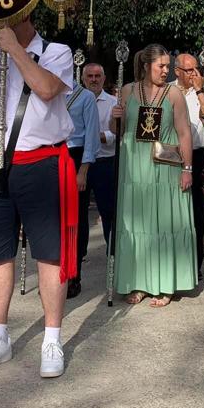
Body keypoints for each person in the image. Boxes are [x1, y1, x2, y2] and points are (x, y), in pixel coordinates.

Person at [0, 19, 76, 377]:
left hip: (42, 163)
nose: (4, 20)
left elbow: (45, 89)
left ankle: (52, 338)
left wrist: (14, 49)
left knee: (50, 254)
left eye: (13, 14)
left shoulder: (56, 52)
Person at [111, 44, 196, 307]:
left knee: (164, 225)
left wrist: (187, 169)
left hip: (166, 168)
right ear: (146, 66)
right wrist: (115, 118)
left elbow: (184, 133)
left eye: (167, 66)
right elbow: (118, 131)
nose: (165, 71)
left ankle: (165, 285)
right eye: (160, 66)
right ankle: (138, 282)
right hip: (135, 168)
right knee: (138, 225)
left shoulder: (174, 94)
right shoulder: (127, 91)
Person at [173, 53, 204, 277]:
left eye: (196, 69)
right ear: (177, 71)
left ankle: (195, 264)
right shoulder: (168, 90)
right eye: (189, 70)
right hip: (172, 156)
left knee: (196, 212)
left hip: (198, 154)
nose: (194, 74)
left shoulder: (202, 93)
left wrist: (199, 93)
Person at [66, 65, 101, 299]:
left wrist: (83, 170)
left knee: (75, 218)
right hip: (54, 156)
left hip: (77, 156)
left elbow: (91, 136)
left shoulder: (85, 96)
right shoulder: (49, 95)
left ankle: (74, 274)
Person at [83, 63, 117, 260]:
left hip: (105, 162)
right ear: (83, 78)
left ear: (103, 79)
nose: (94, 79)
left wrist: (96, 136)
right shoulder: (75, 100)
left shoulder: (113, 102)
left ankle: (112, 251)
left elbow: (116, 134)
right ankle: (79, 253)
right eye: (90, 76)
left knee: (108, 210)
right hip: (82, 164)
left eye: (97, 76)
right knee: (79, 212)